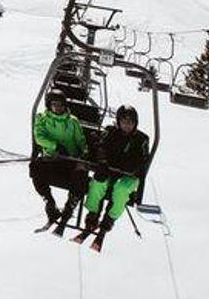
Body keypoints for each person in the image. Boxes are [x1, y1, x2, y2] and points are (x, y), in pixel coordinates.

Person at [76, 104, 151, 251]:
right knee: (98, 183)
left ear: (135, 123)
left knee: (121, 190)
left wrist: (129, 168)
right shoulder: (111, 132)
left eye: (130, 122)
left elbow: (142, 160)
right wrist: (103, 162)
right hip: (109, 170)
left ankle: (108, 221)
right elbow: (101, 147)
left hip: (129, 175)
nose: (127, 125)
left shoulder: (141, 139)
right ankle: (93, 215)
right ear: (118, 121)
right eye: (124, 121)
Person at [31, 90, 88, 231]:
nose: (57, 107)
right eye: (54, 104)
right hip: (52, 159)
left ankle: (70, 206)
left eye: (60, 105)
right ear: (49, 105)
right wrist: (55, 146)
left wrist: (84, 154)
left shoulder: (72, 121)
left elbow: (81, 141)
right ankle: (49, 202)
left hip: (70, 161)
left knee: (80, 176)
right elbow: (39, 137)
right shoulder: (42, 119)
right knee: (35, 167)